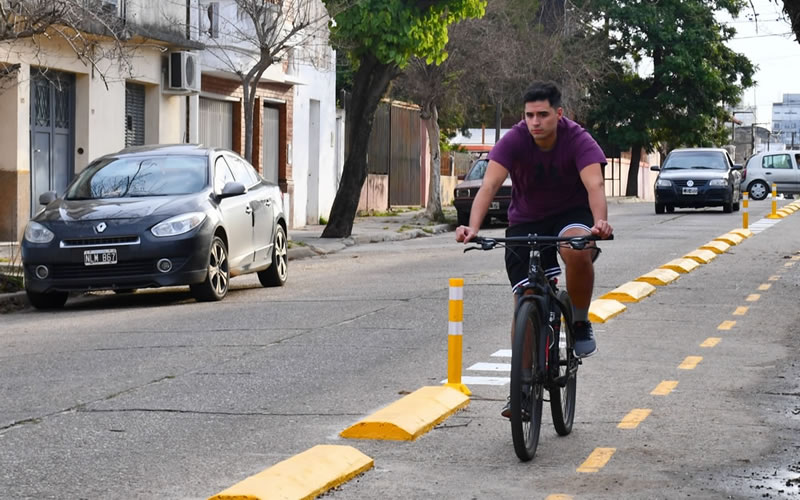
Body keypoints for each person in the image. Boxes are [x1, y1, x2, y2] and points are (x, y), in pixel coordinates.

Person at [455, 81, 613, 417]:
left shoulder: (578, 139)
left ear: (559, 113)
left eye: (542, 114)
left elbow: (594, 183)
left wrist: (599, 222)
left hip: (571, 215)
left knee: (576, 249)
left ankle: (581, 321)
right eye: (529, 115)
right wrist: (474, 226)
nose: (535, 122)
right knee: (524, 298)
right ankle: (522, 388)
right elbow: (490, 185)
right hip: (526, 220)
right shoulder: (514, 139)